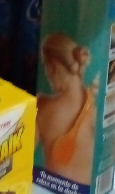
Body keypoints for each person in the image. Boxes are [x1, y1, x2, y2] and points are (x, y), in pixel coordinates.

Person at [36, 32, 98, 185]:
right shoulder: (94, 111)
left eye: (45, 66)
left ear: (53, 67)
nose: (46, 74)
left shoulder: (41, 107)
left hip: (51, 191)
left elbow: (20, 153)